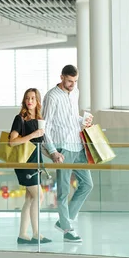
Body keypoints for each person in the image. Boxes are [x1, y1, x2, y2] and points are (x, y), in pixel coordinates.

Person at [43, 65, 93, 243]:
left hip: (78, 144)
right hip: (62, 148)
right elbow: (45, 126)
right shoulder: (51, 97)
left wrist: (83, 120)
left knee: (87, 184)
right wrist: (53, 151)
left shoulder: (75, 92)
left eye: (75, 81)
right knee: (63, 192)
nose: (72, 84)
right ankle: (67, 228)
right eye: (70, 81)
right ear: (62, 77)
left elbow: (72, 117)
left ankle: (64, 220)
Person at [9, 88, 52, 245]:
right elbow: (12, 141)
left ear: (38, 100)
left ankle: (22, 234)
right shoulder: (20, 118)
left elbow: (39, 145)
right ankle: (36, 233)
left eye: (33, 98)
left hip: (36, 162)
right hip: (24, 162)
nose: (30, 101)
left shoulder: (40, 119)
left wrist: (54, 155)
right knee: (38, 196)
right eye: (27, 98)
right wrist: (33, 135)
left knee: (29, 198)